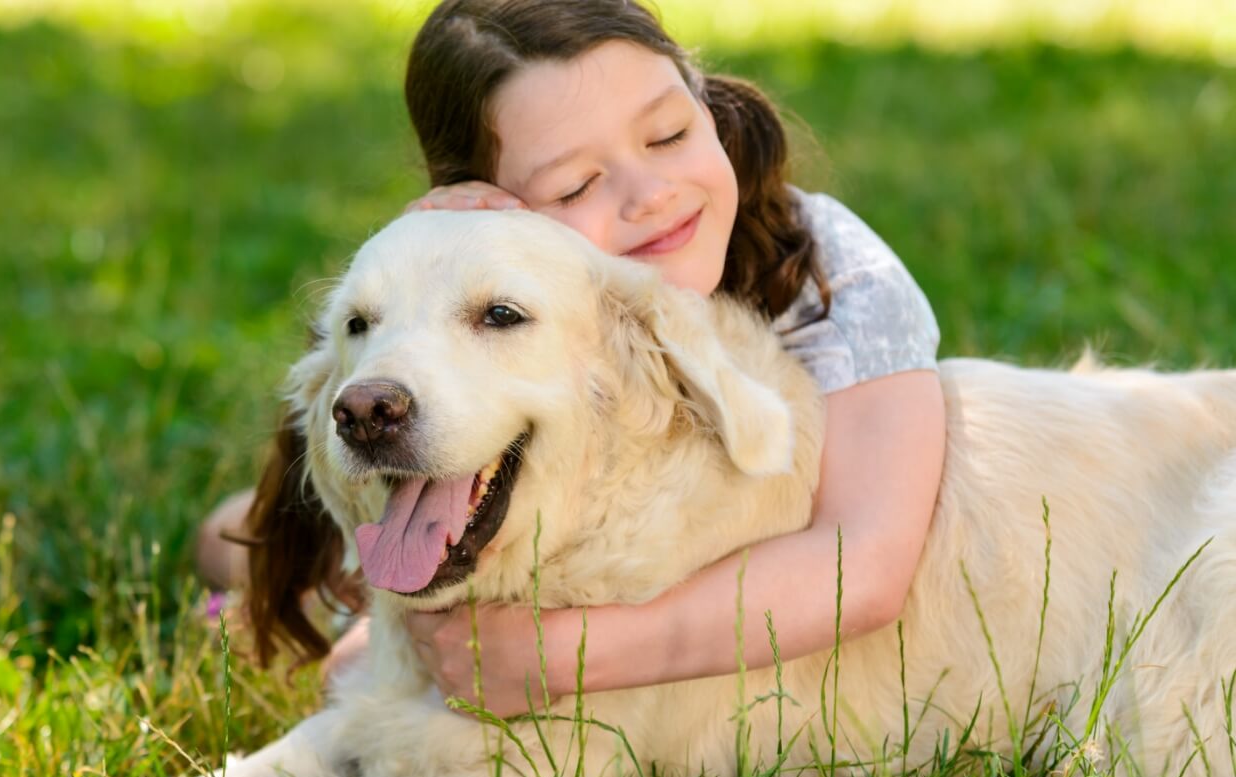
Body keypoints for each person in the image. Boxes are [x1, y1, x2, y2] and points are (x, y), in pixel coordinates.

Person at [204, 0, 946, 718]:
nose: (651, 195)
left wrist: (559, 655)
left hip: (671, 554)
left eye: (669, 135)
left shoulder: (843, 282)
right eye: (576, 185)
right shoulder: (506, 291)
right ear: (493, 208)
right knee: (247, 546)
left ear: (704, 103)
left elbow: (865, 569)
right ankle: (290, 563)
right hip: (496, 509)